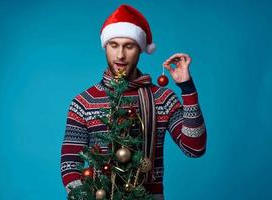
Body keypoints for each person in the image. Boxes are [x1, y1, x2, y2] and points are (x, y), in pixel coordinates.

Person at [60, 4, 207, 200]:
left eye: (128, 46)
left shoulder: (162, 99)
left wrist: (187, 88)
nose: (120, 55)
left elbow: (194, 148)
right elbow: (70, 163)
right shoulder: (84, 102)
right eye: (114, 45)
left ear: (140, 49)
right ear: (105, 47)